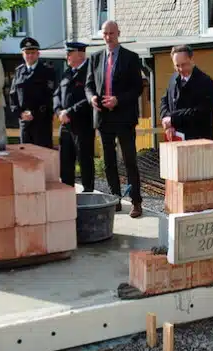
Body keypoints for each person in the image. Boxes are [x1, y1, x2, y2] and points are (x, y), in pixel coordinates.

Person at [85, 20, 144, 218]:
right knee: (109, 162)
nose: (109, 37)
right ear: (102, 35)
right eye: (105, 34)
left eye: (112, 33)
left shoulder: (131, 58)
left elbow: (137, 88)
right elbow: (88, 85)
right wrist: (91, 97)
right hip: (103, 118)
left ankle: (136, 201)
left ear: (118, 33)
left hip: (124, 116)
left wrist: (118, 100)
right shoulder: (95, 58)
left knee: (129, 161)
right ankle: (115, 199)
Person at [53, 41, 95, 191]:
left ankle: (88, 193)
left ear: (81, 54)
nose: (67, 56)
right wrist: (59, 111)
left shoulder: (90, 72)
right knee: (65, 161)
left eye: (70, 53)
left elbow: (89, 98)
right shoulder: (67, 72)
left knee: (85, 161)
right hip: (65, 124)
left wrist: (70, 112)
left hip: (82, 124)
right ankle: (67, 192)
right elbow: (57, 94)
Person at [160, 45, 213, 140]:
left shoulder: (206, 82)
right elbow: (164, 101)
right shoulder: (173, 79)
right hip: (176, 138)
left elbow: (201, 112)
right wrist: (167, 121)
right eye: (177, 66)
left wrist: (173, 120)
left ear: (192, 60)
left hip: (198, 140)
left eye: (184, 64)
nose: (181, 69)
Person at [9, 37, 57, 148]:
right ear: (23, 54)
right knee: (26, 155)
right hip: (24, 121)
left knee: (43, 154)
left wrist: (34, 113)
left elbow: (50, 96)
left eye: (33, 53)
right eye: (27, 53)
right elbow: (13, 96)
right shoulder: (19, 71)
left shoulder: (47, 71)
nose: (30, 55)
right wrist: (20, 113)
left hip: (41, 121)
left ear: (38, 54)